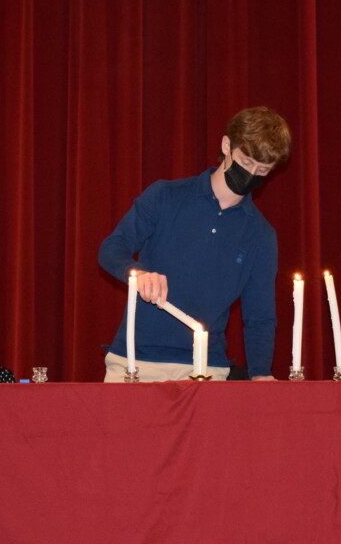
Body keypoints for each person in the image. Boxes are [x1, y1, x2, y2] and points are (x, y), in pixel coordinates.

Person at [99, 106, 291, 382]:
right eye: (246, 162)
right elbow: (111, 248)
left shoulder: (260, 235)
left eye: (262, 170)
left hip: (207, 367)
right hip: (134, 359)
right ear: (226, 145)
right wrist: (137, 273)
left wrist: (261, 374)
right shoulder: (166, 195)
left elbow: (259, 317)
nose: (252, 174)